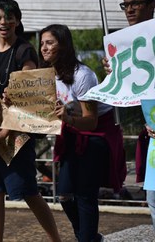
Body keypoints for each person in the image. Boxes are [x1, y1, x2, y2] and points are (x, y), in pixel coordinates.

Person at [0, 0, 61, 242]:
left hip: (16, 133)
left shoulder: (25, 50)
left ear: (17, 20)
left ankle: (56, 239)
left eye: (8, 17)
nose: (3, 22)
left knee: (28, 191)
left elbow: (28, 96)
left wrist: (5, 132)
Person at [41, 24, 125, 241]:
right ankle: (89, 238)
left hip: (95, 136)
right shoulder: (48, 77)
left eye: (50, 42)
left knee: (85, 195)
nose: (44, 47)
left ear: (64, 45)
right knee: (65, 196)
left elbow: (91, 122)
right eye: (42, 43)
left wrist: (66, 117)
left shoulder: (83, 75)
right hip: (71, 134)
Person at [103, 0, 155, 231]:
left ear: (152, 6)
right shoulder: (128, 45)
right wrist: (115, 74)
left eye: (136, 3)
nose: (130, 9)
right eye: (126, 4)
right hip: (153, 136)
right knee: (154, 200)